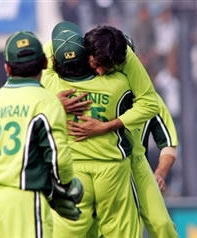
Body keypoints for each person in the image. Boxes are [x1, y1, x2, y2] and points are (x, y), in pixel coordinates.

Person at [41, 23, 161, 237]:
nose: (100, 72)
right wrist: (52, 103)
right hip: (110, 164)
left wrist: (106, 125)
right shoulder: (119, 83)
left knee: (159, 223)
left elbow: (150, 102)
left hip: (120, 158)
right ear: (84, 49)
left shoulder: (125, 58)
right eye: (97, 64)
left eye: (108, 67)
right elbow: (149, 103)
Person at [0, 31, 84, 238]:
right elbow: (59, 160)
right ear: (44, 63)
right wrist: (66, 187)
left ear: (7, 67)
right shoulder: (46, 101)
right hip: (21, 200)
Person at [80, 25, 178, 238]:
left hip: (136, 162)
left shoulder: (150, 100)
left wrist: (160, 173)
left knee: (162, 225)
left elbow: (168, 142)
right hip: (105, 162)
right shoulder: (93, 89)